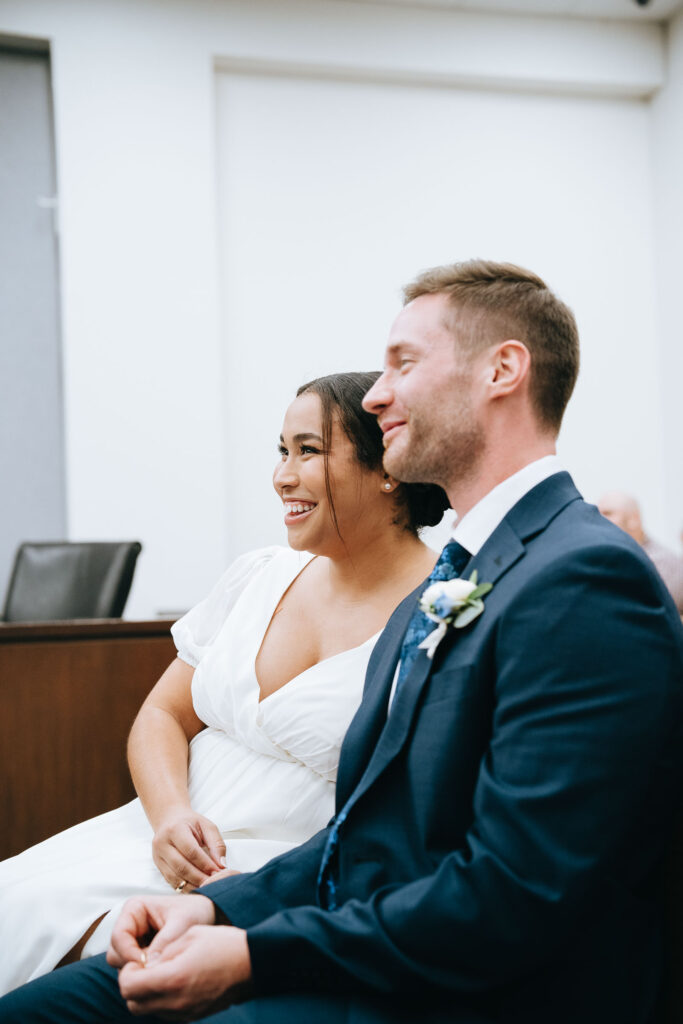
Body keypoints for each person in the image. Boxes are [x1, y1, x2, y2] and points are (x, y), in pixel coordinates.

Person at [2, 260, 683, 1024]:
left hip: (459, 990)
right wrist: (222, 912)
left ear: (502, 370)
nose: (376, 393)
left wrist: (257, 954)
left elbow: (516, 895)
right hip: (355, 927)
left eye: (403, 362)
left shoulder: (583, 579)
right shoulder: (462, 575)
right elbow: (370, 835)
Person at [0, 370, 448, 997]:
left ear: (388, 468)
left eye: (309, 450)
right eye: (282, 451)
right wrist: (169, 816)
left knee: (88, 969)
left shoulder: (446, 614)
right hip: (152, 835)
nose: (282, 476)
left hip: (270, 874)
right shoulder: (259, 575)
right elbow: (161, 714)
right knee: (15, 902)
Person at [598, 489, 683, 613]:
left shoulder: (663, 563)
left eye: (608, 513)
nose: (600, 520)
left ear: (634, 519)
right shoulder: (607, 559)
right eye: (598, 514)